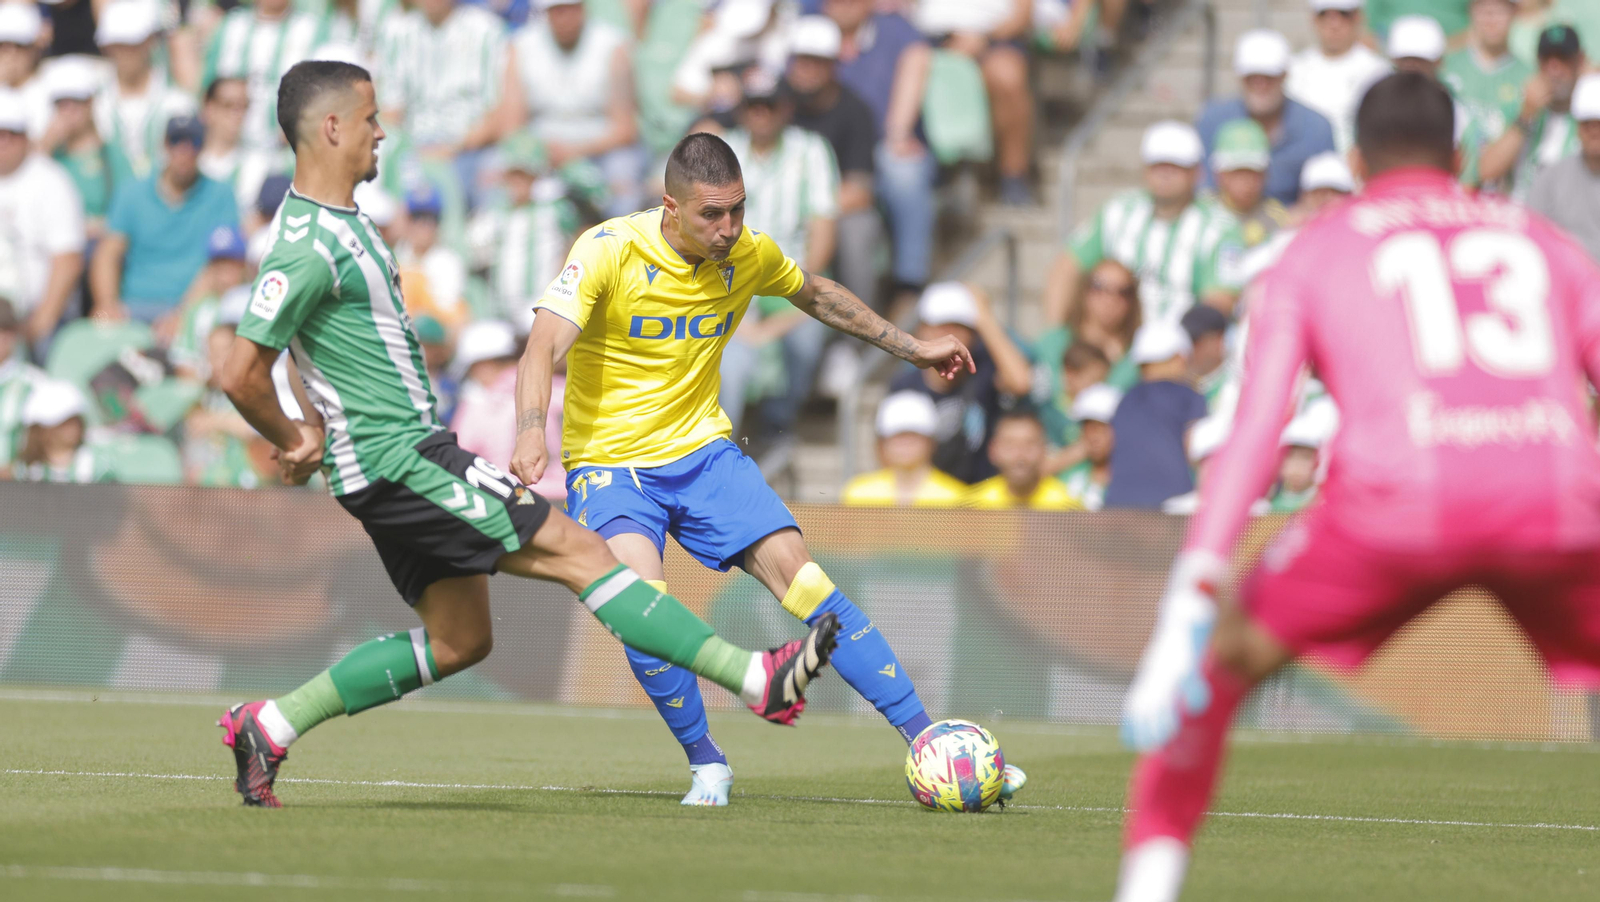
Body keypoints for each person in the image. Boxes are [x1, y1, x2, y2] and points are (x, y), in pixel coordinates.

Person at [217, 61, 839, 809]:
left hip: (388, 457)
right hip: (399, 457)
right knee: (584, 552)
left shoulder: (340, 226)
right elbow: (242, 371)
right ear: (332, 128)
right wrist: (292, 433)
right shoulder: (308, 242)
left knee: (459, 640)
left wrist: (314, 428)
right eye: (372, 116)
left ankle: (271, 725)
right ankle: (755, 679)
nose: (383, 131)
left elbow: (310, 346)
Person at [1115, 72, 1600, 902]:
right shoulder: (1545, 241)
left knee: (1221, 663)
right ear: (1458, 156)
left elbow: (1258, 429)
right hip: (1553, 502)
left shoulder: (1316, 249)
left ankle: (1149, 885)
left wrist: (1190, 594)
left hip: (1394, 511)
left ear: (1353, 158)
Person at [510, 132, 1025, 807]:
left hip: (704, 453)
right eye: (712, 216)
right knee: (641, 608)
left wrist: (913, 348)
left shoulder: (746, 253)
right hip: (613, 465)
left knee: (808, 584)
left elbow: (816, 294)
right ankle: (707, 763)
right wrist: (528, 430)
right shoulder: (608, 249)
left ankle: (931, 742)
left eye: (738, 211)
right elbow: (543, 342)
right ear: (671, 207)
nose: (729, 230)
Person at [721, 69, 840, 437]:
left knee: (805, 341)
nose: (762, 114)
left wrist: (797, 292)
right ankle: (727, 443)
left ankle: (778, 423)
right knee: (729, 360)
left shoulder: (811, 149)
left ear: (786, 108)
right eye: (754, 105)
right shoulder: (722, 148)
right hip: (726, 278)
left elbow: (823, 229)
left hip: (790, 277)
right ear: (741, 109)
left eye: (770, 105)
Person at [1044, 121, 1242, 330]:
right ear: (1145, 169)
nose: (1165, 173)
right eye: (1158, 165)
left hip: (1179, 350)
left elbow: (1219, 303)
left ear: (1197, 172)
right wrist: (1054, 335)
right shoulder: (1118, 211)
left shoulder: (1220, 227)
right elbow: (1067, 267)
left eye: (1176, 166)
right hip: (1112, 342)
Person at [824, 0, 935, 299]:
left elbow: (918, 58)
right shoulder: (810, 27)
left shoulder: (897, 31)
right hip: (828, 152)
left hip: (877, 147)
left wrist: (898, 132)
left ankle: (909, 282)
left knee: (902, 168)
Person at [92, 115, 240, 329]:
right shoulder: (132, 192)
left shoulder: (221, 195)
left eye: (194, 142)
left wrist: (183, 315)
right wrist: (107, 303)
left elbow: (220, 265)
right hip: (133, 307)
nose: (184, 151)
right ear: (165, 145)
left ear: (203, 148)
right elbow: (108, 253)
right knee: (96, 326)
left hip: (193, 308)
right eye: (176, 141)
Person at [504, 0, 643, 218]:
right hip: (540, 149)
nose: (565, 17)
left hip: (600, 148)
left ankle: (623, 245)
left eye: (571, 8)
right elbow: (512, 127)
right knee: (497, 170)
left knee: (623, 175)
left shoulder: (613, 45)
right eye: (557, 10)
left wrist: (574, 151)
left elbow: (626, 129)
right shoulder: (521, 46)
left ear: (583, 8)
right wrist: (539, 152)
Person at [888, 281, 1034, 484]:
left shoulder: (985, 370)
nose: (949, 338)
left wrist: (984, 318)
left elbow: (1021, 382)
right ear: (922, 330)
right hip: (931, 503)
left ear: (975, 334)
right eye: (941, 327)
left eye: (960, 328)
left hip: (983, 500)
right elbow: (887, 452)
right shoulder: (904, 387)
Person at [786, 15, 881, 313]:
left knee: (858, 230)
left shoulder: (855, 111)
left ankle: (856, 337)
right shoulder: (770, 100)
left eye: (818, 61)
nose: (808, 69)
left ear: (834, 64)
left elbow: (860, 191)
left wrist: (800, 208)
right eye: (802, 59)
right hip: (764, 203)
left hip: (828, 211)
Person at [379, 0, 507, 207]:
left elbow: (496, 112)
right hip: (413, 146)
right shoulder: (396, 34)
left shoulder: (487, 31)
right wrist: (407, 150)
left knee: (496, 169)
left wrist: (452, 148)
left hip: (469, 147)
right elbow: (390, 111)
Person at [1196, 29, 1337, 206]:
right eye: (1251, 77)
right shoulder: (1213, 120)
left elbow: (1330, 195)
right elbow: (1203, 189)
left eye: (1269, 77)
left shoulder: (1316, 128)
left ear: (1285, 75)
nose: (1260, 85)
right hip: (1225, 224)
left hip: (1296, 227)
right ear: (1239, 77)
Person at [913, 0, 1035, 204]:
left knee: (1007, 78)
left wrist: (982, 39)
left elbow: (1023, 15)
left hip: (994, 39)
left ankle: (1013, 175)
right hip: (925, 39)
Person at [466, 133, 579, 334]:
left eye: (525, 175)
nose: (518, 182)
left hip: (539, 305)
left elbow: (576, 245)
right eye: (514, 175)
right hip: (500, 312)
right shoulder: (493, 214)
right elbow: (474, 254)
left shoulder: (553, 211)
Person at [0, 90, 86, 350]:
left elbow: (67, 260)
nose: (3, 142)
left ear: (26, 137)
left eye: (10, 134)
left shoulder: (52, 181)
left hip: (35, 314)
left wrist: (39, 324)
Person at [1103, 320, 1208, 511]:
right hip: (1172, 508)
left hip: (1117, 508)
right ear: (1180, 357)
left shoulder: (1124, 400)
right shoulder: (1189, 396)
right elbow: (1195, 446)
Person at [1476, 23, 1586, 197]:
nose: (1554, 69)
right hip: (1519, 215)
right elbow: (1485, 171)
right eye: (1546, 58)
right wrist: (1525, 117)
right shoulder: (1517, 106)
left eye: (1563, 57)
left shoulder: (1590, 115)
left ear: (1580, 60)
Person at [95, 1, 198, 182]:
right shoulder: (94, 104)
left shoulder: (178, 104)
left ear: (150, 42)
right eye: (119, 45)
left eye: (134, 43)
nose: (127, 53)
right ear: (107, 47)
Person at [203, 0, 322, 156]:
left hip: (284, 155)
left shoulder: (313, 30)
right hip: (229, 153)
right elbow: (206, 91)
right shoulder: (230, 26)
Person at [44, 58, 135, 242]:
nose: (68, 110)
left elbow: (130, 210)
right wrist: (44, 146)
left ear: (91, 102)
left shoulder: (112, 155)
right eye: (61, 103)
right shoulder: (48, 157)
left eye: (76, 102)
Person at [1287, 0, 1393, 153]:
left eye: (1343, 14)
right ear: (1314, 19)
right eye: (1325, 14)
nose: (1334, 24)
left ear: (1358, 17)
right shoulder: (1293, 70)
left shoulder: (1378, 72)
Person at [841, 389, 968, 507]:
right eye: (898, 436)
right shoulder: (859, 493)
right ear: (883, 443)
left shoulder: (956, 497)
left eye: (914, 435)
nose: (906, 444)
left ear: (931, 441)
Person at [1528, 72, 1600, 262]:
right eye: (1587, 123)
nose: (1594, 131)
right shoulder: (1551, 178)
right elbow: (1533, 235)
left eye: (1599, 123)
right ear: (1576, 125)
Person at [1441, 0, 1531, 147]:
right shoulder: (1446, 68)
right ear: (1470, 11)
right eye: (1484, 9)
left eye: (1500, 11)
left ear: (1515, 13)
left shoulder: (1528, 77)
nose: (1491, 19)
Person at [964, 410, 1082, 510]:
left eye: (1029, 445)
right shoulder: (973, 508)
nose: (1020, 456)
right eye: (1010, 445)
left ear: (1044, 449)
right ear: (993, 450)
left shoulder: (1067, 510)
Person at [199, 76, 283, 215]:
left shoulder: (259, 165)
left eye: (244, 106)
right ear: (208, 108)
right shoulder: (189, 159)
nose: (238, 114)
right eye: (229, 105)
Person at [449, 318, 523, 475]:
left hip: (508, 494)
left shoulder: (478, 406)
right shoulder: (556, 389)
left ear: (483, 365)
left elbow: (457, 462)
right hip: (570, 492)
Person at [395, 182, 468, 331]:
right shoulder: (398, 254)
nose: (423, 225)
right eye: (416, 217)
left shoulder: (448, 261)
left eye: (430, 219)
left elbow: (447, 317)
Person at [1206, 119, 1289, 249]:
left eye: (1253, 172)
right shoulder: (1200, 211)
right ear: (1219, 174)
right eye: (1238, 172)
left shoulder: (1278, 218)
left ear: (1266, 174)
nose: (1247, 182)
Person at [13, 377, 103, 484]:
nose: (72, 427)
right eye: (63, 422)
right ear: (41, 429)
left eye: (75, 419)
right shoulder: (26, 470)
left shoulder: (99, 462)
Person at [0, 297, 49, 478]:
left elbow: (51, 447)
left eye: (4, 331)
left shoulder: (36, 384)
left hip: (19, 492)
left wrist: (15, 470)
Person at [1060, 382, 1118, 510]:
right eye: (1088, 428)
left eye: (1101, 428)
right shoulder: (1068, 477)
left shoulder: (1132, 479)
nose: (1093, 437)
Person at [0, 2, 48, 140]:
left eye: (19, 45)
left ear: (35, 47)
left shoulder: (50, 90)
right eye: (2, 45)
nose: (10, 53)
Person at [1182, 304, 1230, 408]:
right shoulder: (1181, 383)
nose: (1190, 349)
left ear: (1218, 341)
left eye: (1196, 342)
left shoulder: (1234, 384)